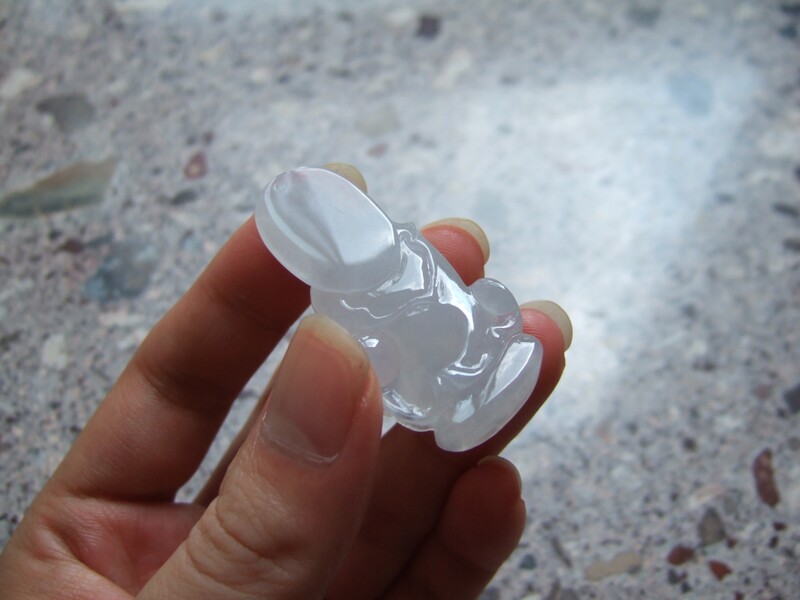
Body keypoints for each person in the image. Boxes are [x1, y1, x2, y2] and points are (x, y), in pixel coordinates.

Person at [0, 164, 571, 599]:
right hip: (438, 380)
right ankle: (465, 393)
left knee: (485, 302)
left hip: (474, 342)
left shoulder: (406, 244)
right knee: (431, 367)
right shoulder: (339, 301)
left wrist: (459, 315)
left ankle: (489, 367)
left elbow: (453, 290)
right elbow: (381, 361)